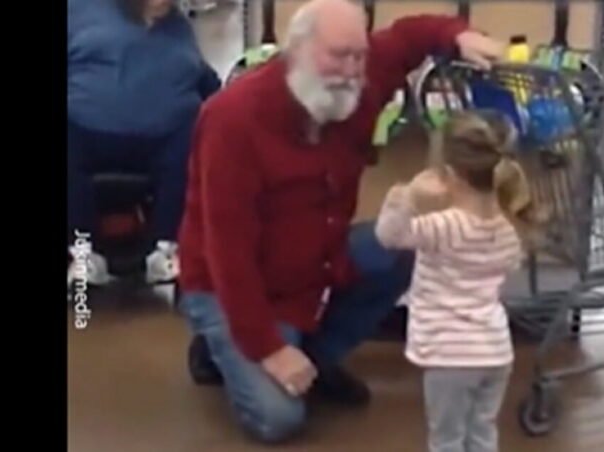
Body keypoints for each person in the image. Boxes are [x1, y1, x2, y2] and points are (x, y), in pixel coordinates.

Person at [177, 0, 505, 443]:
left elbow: (409, 36)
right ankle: (225, 348)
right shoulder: (232, 120)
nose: (352, 70)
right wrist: (268, 349)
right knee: (279, 419)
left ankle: (313, 356)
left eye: (359, 55)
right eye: (338, 55)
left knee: (404, 246)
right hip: (230, 283)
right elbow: (227, 255)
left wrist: (458, 35)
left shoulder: (358, 82)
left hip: (315, 264)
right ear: (296, 50)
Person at [375, 110, 539, 452]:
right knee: (482, 431)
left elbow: (389, 236)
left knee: (446, 440)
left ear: (448, 174)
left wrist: (405, 198)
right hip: (495, 351)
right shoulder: (510, 230)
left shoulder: (444, 227)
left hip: (450, 356)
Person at [67, 0, 221, 285]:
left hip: (167, 135)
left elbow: (202, 76)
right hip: (84, 128)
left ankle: (165, 249)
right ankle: (82, 252)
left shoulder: (178, 26)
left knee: (199, 138)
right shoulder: (79, 11)